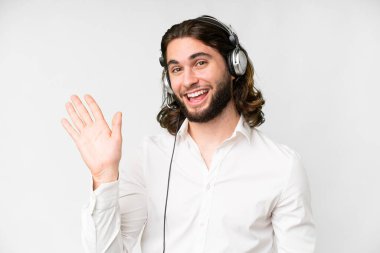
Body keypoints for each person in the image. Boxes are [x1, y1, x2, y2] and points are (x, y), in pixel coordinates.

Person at [62, 15, 316, 253]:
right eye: (176, 69)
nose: (188, 80)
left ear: (233, 67)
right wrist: (104, 177)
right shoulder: (149, 158)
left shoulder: (282, 166)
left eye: (200, 63)